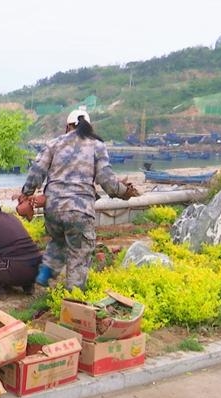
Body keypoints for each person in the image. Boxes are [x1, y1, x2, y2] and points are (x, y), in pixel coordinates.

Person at [18, 109, 139, 291]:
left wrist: (26, 193)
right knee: (79, 254)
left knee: (59, 239)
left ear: (67, 126)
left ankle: (46, 270)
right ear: (89, 126)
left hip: (53, 209)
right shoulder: (97, 145)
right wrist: (124, 192)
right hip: (80, 211)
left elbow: (36, 171)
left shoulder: (54, 143)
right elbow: (107, 181)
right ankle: (74, 299)